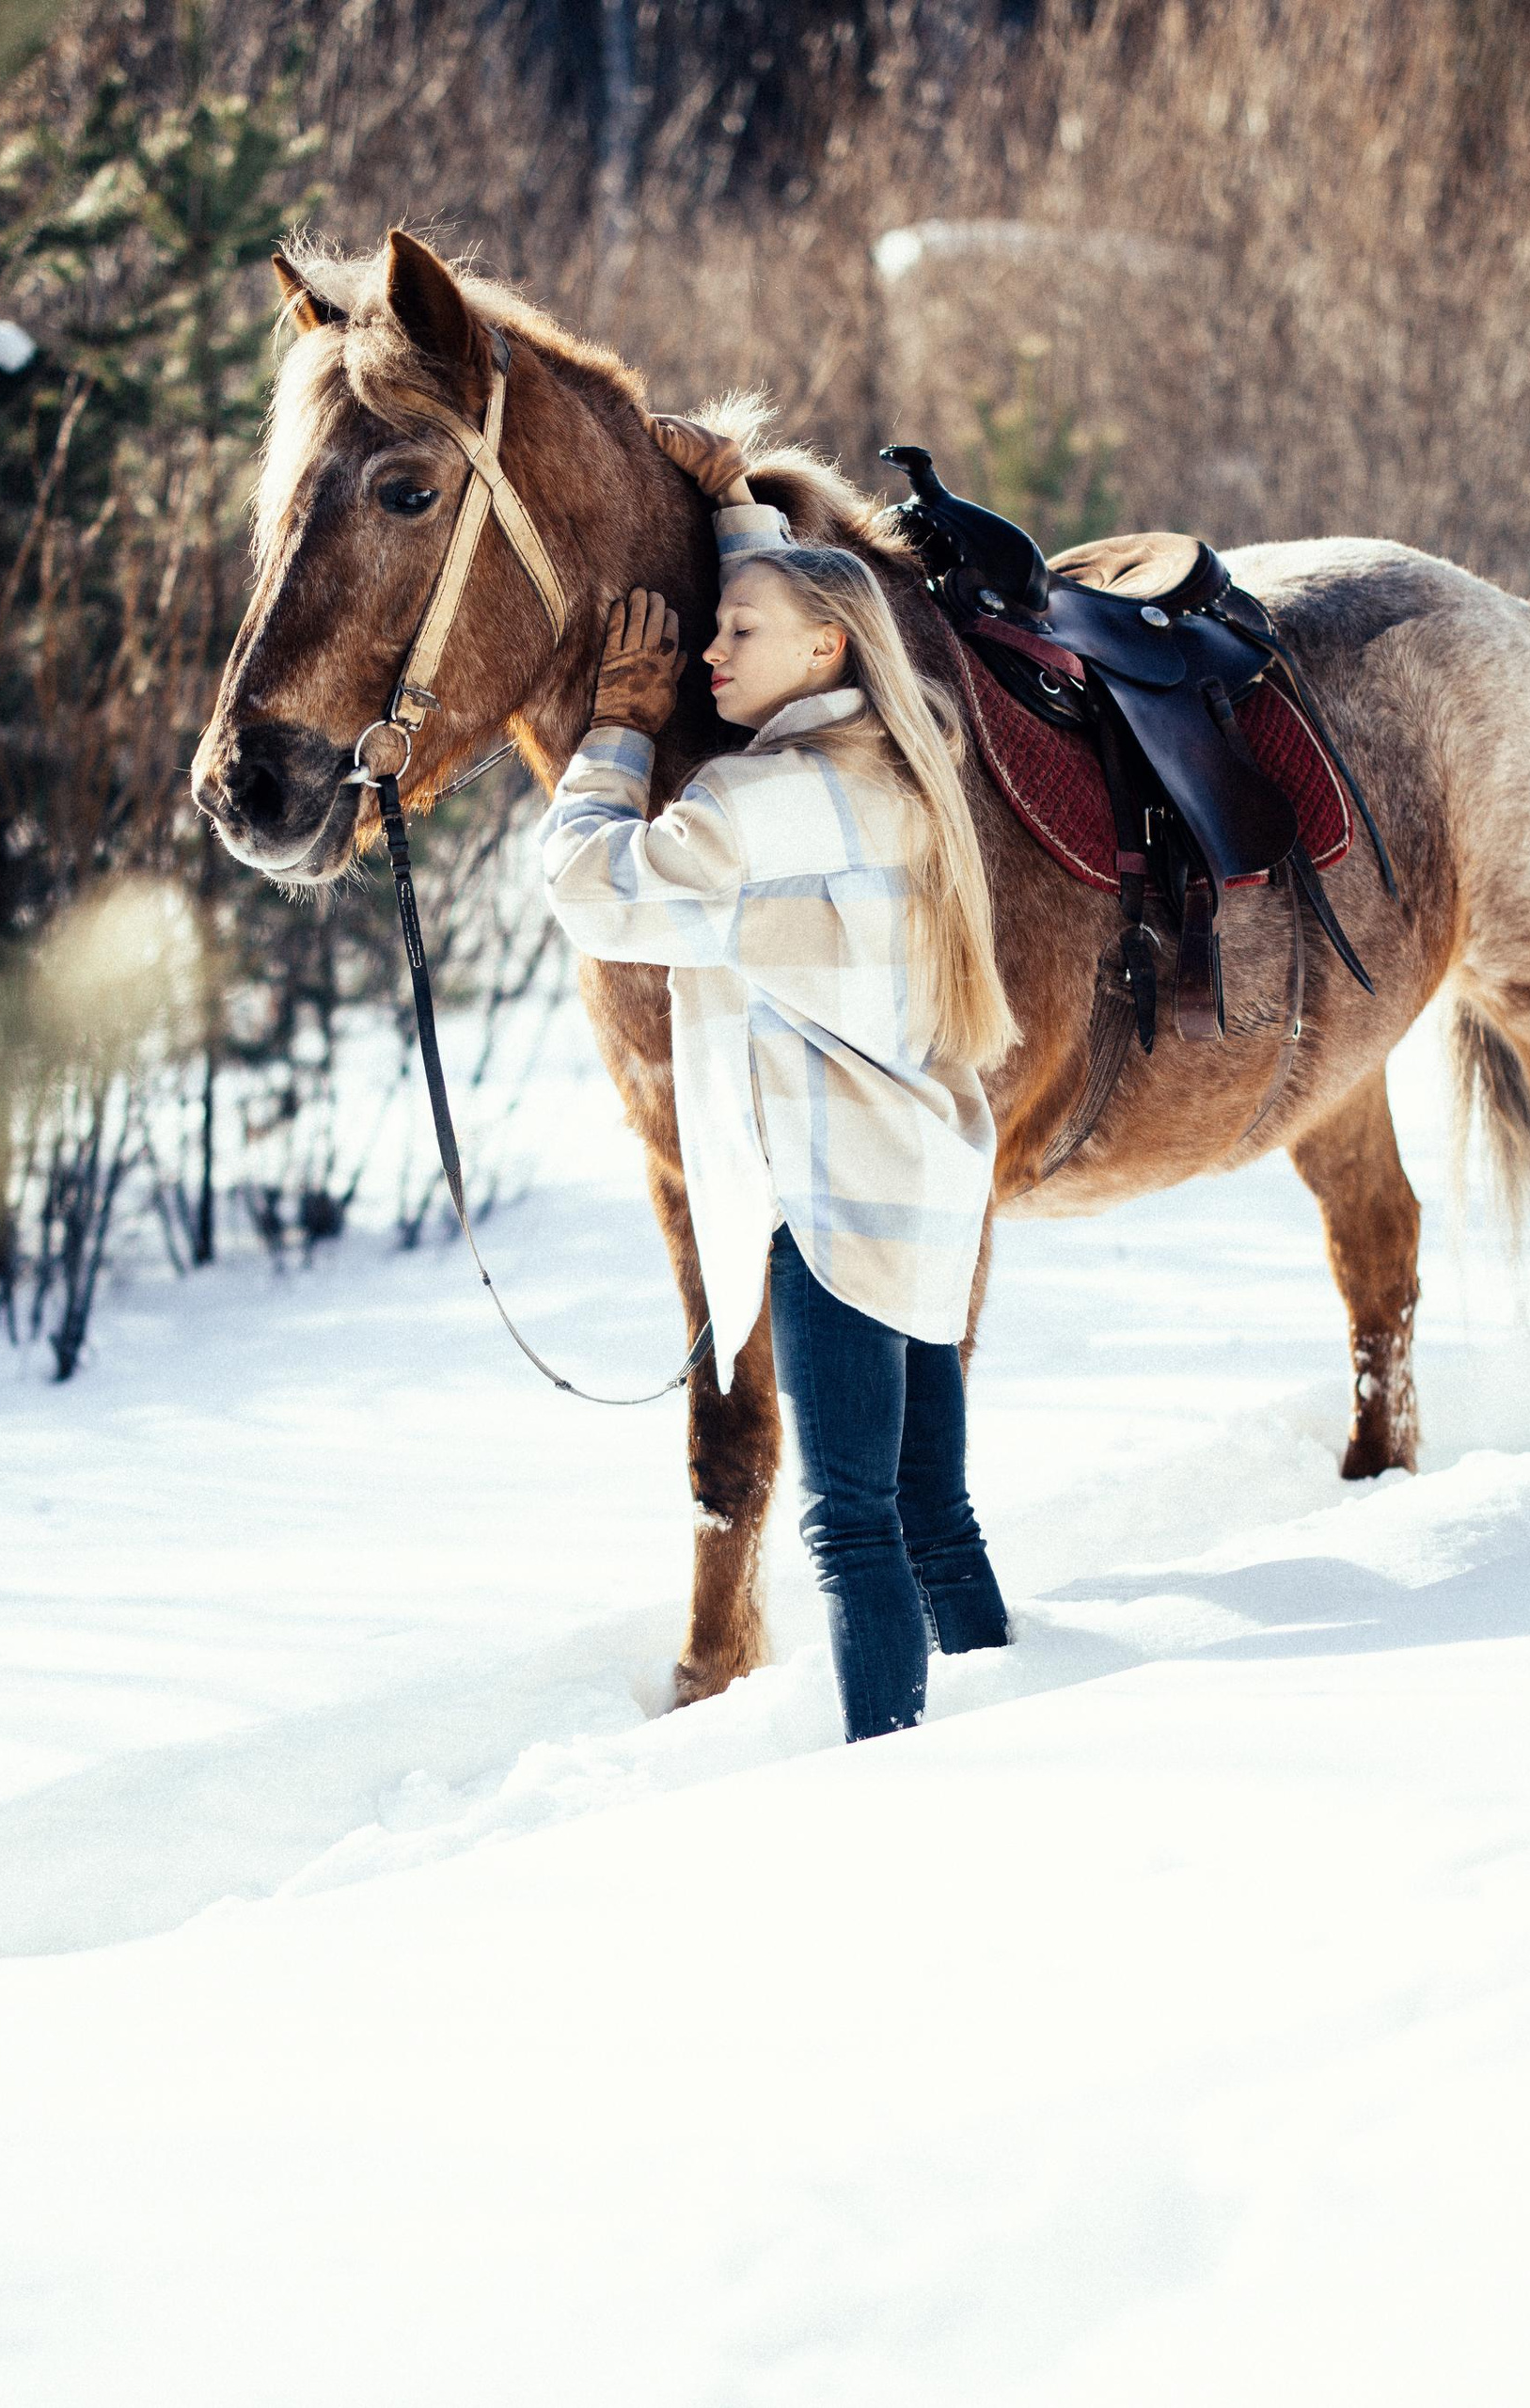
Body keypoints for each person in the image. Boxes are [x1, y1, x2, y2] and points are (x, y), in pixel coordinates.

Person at [537, 415, 1021, 1741]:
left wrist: (622, 735)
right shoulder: (909, 776)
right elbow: (815, 614)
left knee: (851, 1527)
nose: (706, 651)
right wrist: (739, 511)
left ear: (819, 655)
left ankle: (890, 1772)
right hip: (924, 1185)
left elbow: (593, 891)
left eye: (731, 634)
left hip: (832, 1209)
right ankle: (1013, 1709)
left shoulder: (760, 808)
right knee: (935, 1509)